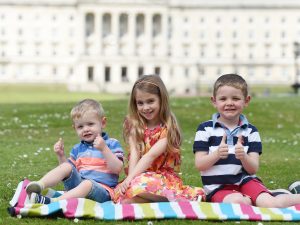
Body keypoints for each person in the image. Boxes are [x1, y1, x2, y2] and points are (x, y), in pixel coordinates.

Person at [193, 73, 300, 207]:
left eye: (236, 98)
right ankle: (266, 194)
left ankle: (281, 195)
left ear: (246, 100)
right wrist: (217, 154)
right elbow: (199, 164)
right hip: (218, 187)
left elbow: (253, 169)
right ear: (214, 101)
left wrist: (243, 156)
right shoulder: (205, 129)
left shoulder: (251, 131)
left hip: (245, 181)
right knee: (239, 202)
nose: (229, 103)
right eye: (223, 99)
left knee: (271, 204)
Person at [114, 74, 205, 203]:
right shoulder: (135, 125)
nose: (145, 107)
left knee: (138, 185)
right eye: (140, 103)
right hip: (138, 174)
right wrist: (129, 178)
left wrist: (131, 180)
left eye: (150, 101)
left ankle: (178, 197)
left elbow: (149, 156)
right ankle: (148, 200)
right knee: (120, 194)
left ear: (161, 99)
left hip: (162, 177)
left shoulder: (168, 128)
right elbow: (134, 154)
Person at [26, 99, 124, 204]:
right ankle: (39, 185)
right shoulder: (77, 149)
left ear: (103, 123)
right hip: (77, 186)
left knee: (87, 184)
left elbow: (117, 168)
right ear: (75, 128)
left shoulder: (111, 144)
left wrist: (104, 149)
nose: (85, 129)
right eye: (80, 126)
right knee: (67, 166)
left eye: (90, 124)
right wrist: (61, 155)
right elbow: (67, 173)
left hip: (103, 191)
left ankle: (54, 202)